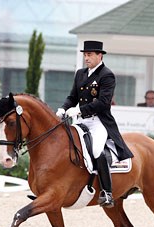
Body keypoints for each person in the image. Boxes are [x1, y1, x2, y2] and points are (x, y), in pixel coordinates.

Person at [56, 40, 133, 208]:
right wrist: (63, 108)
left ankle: (107, 192)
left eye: (89, 55)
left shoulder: (106, 75)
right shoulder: (80, 74)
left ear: (100, 55)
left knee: (97, 150)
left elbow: (104, 102)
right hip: (81, 121)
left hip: (99, 122)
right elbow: (73, 97)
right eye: (85, 55)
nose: (86, 58)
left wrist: (79, 111)